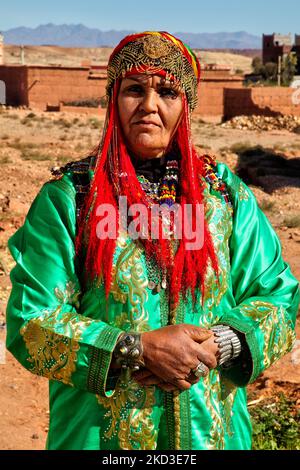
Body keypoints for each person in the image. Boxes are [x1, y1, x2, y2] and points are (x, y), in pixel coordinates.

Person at [6, 31, 299, 451]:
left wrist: (221, 344)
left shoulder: (225, 197)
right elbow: (31, 319)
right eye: (134, 90)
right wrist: (134, 349)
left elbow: (278, 294)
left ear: (186, 106)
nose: (149, 105)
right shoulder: (69, 199)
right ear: (113, 99)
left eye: (166, 91)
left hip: (211, 433)